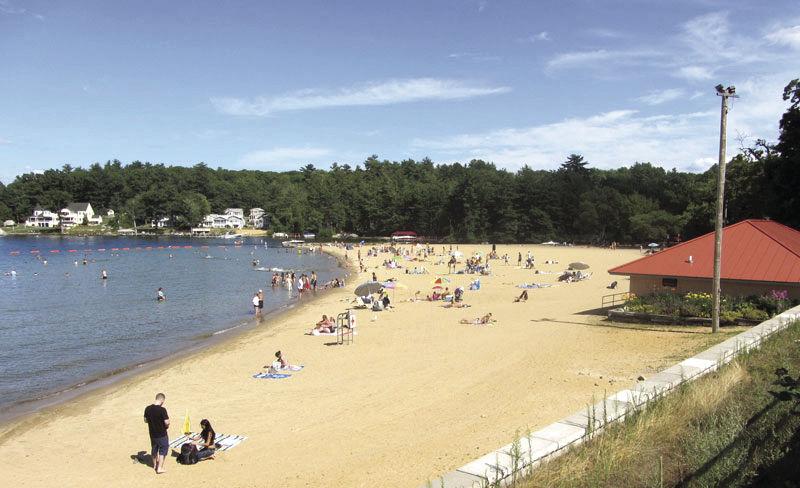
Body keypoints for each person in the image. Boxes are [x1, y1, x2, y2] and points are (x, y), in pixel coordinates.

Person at [144, 393, 170, 474]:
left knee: (154, 448)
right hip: (162, 434)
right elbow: (167, 422)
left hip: (152, 433)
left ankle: (155, 464)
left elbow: (145, 420)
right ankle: (159, 468)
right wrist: (167, 425)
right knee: (163, 449)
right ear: (162, 400)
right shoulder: (162, 410)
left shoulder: (147, 408)